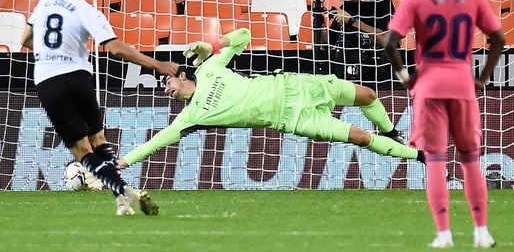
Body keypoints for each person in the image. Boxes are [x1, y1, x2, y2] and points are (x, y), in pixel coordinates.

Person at [117, 27, 426, 172]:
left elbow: (244, 35)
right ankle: (422, 158)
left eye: (166, 80)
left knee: (367, 95)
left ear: (182, 75)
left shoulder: (210, 67)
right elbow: (158, 140)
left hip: (295, 86)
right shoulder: (191, 116)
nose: (166, 88)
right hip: (291, 118)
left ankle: (391, 133)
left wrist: (212, 44)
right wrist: (124, 161)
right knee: (359, 136)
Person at [21, 0, 179, 215]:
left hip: (49, 80)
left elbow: (26, 38)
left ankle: (126, 193)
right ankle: (122, 200)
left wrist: (52, 53)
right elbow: (115, 48)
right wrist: (157, 64)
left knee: (82, 151)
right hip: (78, 77)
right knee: (98, 139)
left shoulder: (44, 4)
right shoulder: (87, 11)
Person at [384, 0, 505, 249]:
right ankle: (481, 232)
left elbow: (389, 42)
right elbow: (499, 38)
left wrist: (405, 78)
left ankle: (444, 234)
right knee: (470, 159)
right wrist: (483, 78)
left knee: (436, 160)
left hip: (429, 85)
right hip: (463, 83)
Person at [321, 0, 396, 81]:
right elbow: (327, 45)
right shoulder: (345, 9)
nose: (351, 6)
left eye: (354, 2)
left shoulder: (382, 4)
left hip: (381, 70)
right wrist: (322, 26)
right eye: (346, 1)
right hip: (350, 70)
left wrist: (352, 21)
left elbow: (386, 40)